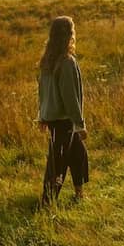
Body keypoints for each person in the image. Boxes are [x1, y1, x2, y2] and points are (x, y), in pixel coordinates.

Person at [37, 15, 88, 204]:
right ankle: (47, 202)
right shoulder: (66, 62)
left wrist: (42, 116)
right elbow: (70, 97)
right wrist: (79, 124)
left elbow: (42, 93)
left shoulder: (48, 60)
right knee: (57, 162)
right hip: (64, 121)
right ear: (69, 34)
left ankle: (79, 195)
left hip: (55, 119)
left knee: (78, 154)